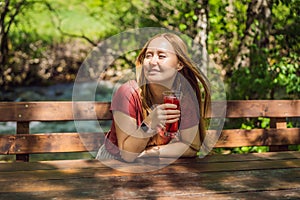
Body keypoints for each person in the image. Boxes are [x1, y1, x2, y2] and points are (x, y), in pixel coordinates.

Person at [96, 32, 211, 162]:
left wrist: (150, 153)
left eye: (161, 56)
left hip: (154, 163)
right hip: (114, 163)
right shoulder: (127, 93)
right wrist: (149, 124)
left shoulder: (183, 97)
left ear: (179, 64)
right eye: (148, 55)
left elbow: (192, 147)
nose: (152, 61)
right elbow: (128, 155)